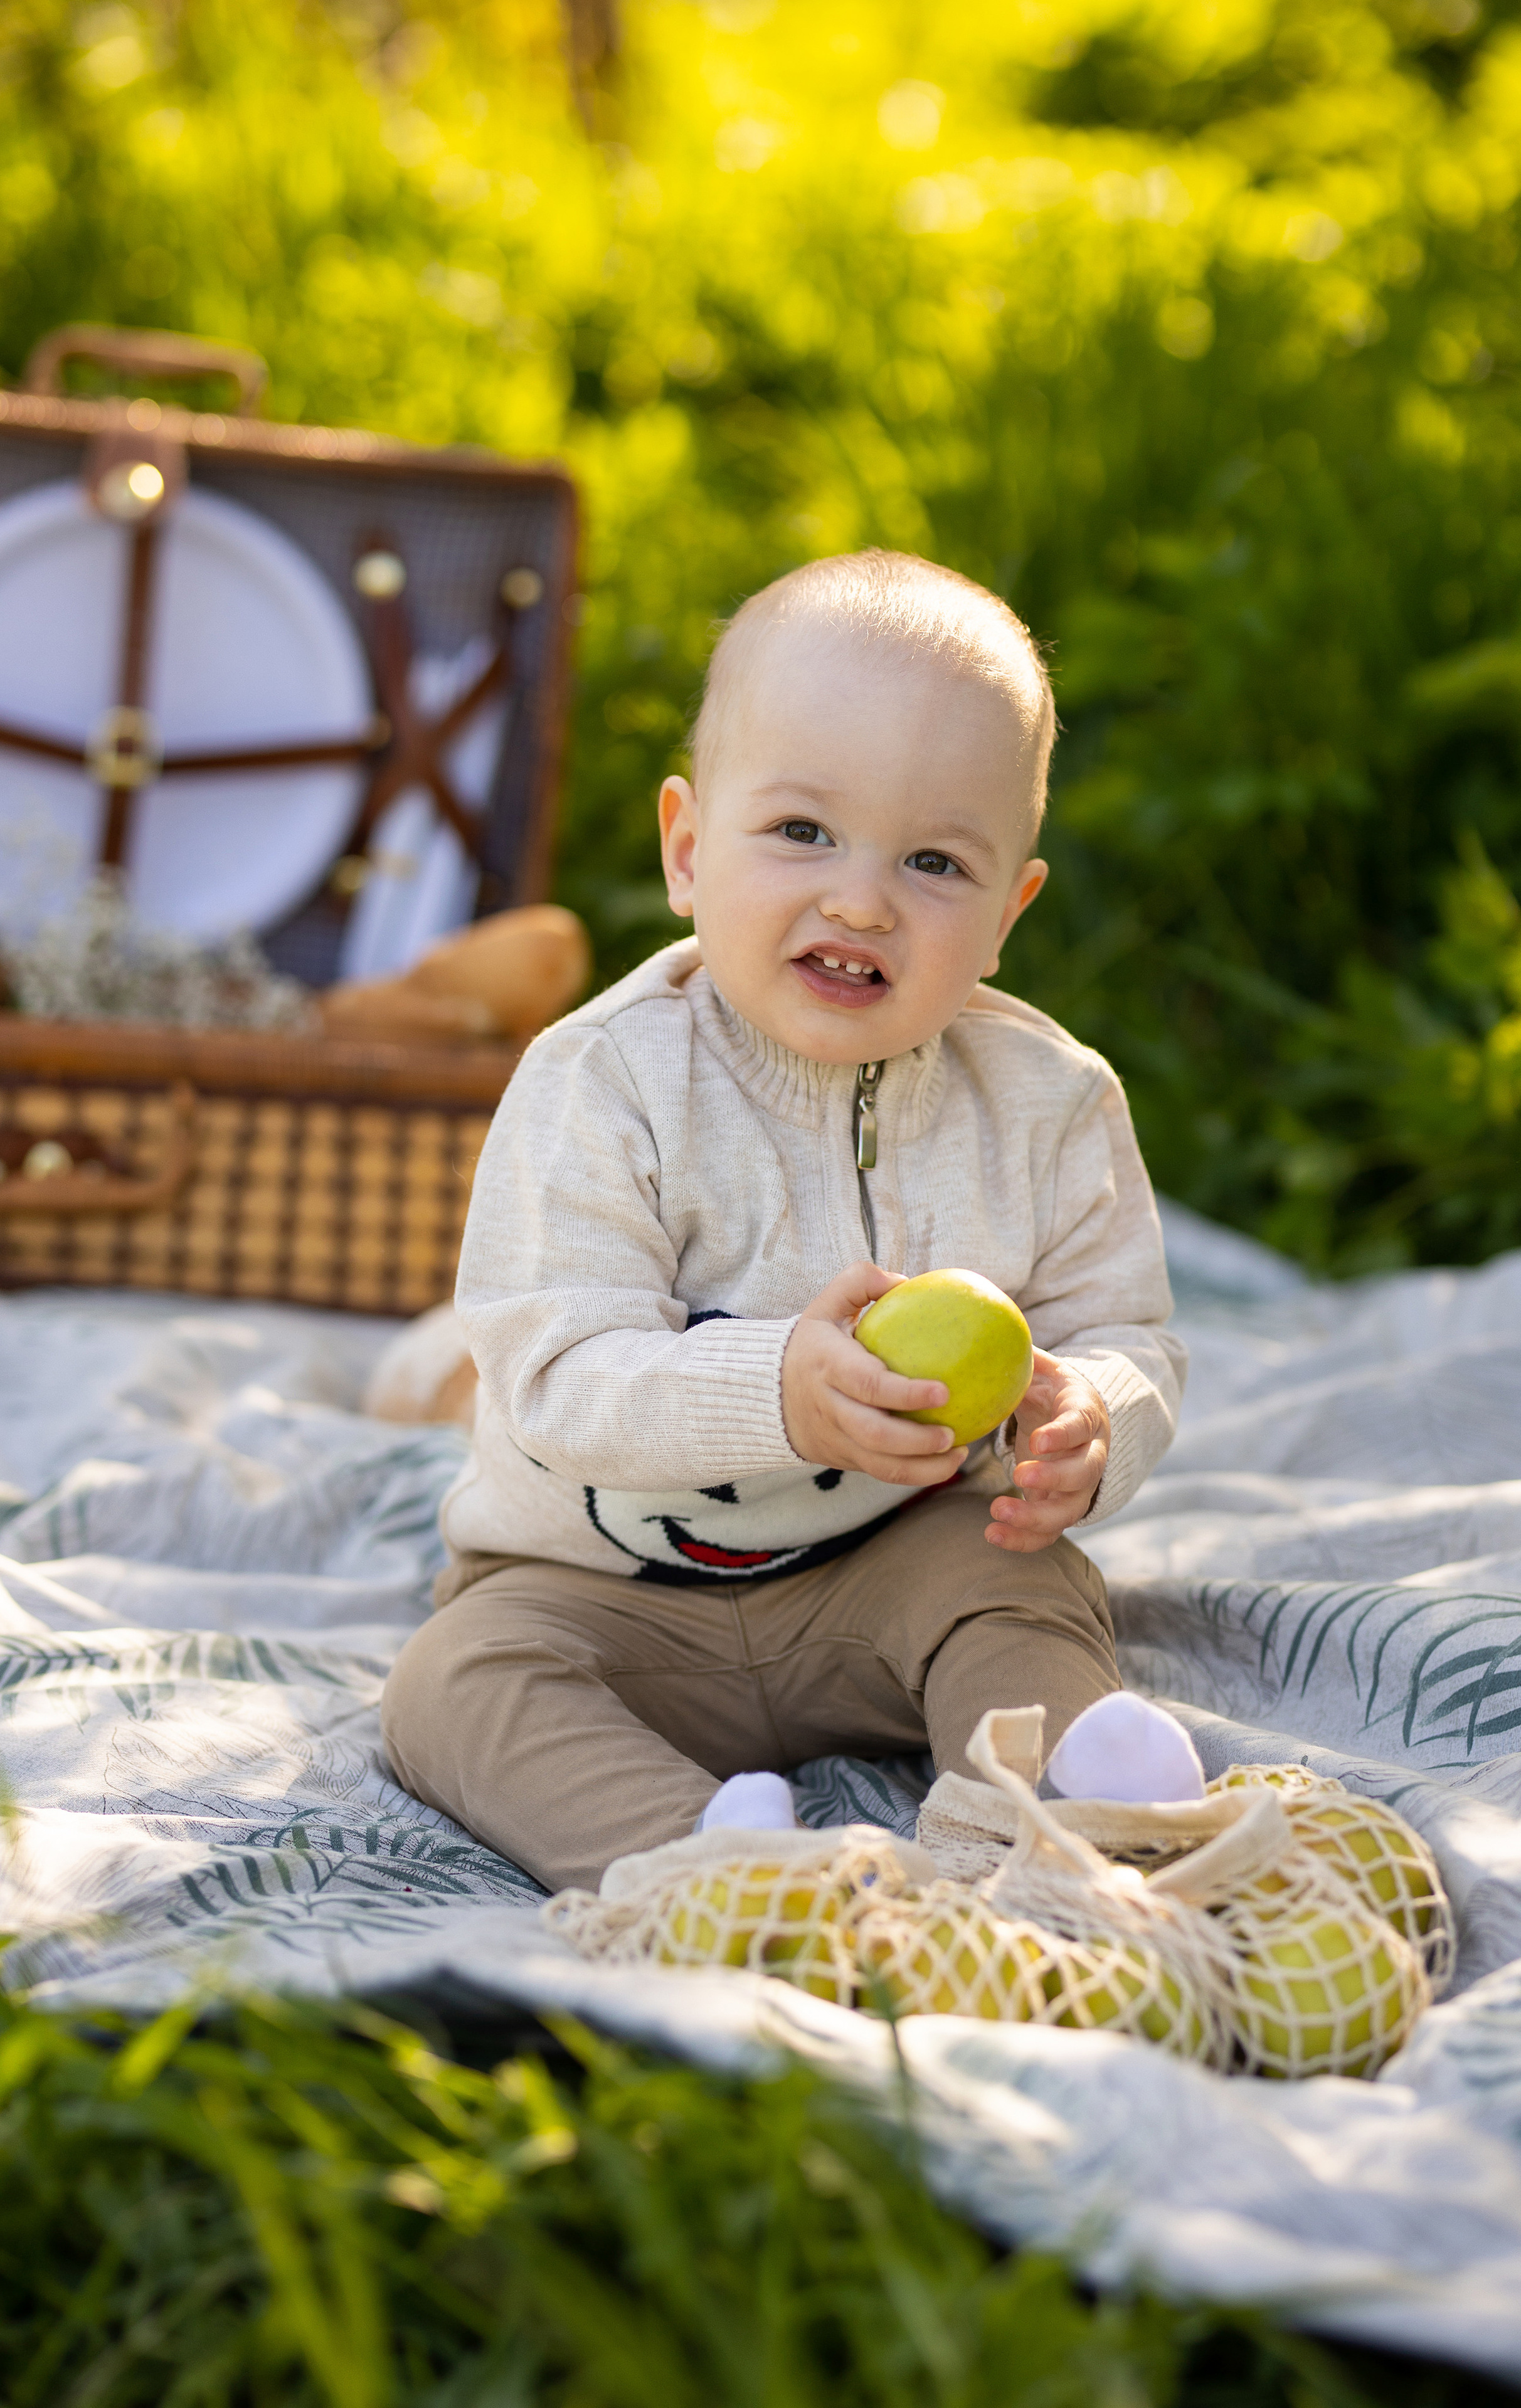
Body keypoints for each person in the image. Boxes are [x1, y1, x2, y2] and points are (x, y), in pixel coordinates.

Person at [381, 550, 1190, 1892]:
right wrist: (776, 1389)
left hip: (888, 1574)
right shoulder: (602, 1082)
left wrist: (1091, 1416)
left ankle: (1059, 1805)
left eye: (934, 861)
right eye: (802, 833)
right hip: (603, 1595)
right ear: (686, 848)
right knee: (452, 1685)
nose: (861, 899)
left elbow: (1127, 1331)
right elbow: (555, 1378)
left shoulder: (1047, 1106)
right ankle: (712, 1860)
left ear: (1006, 914)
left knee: (1029, 1591)